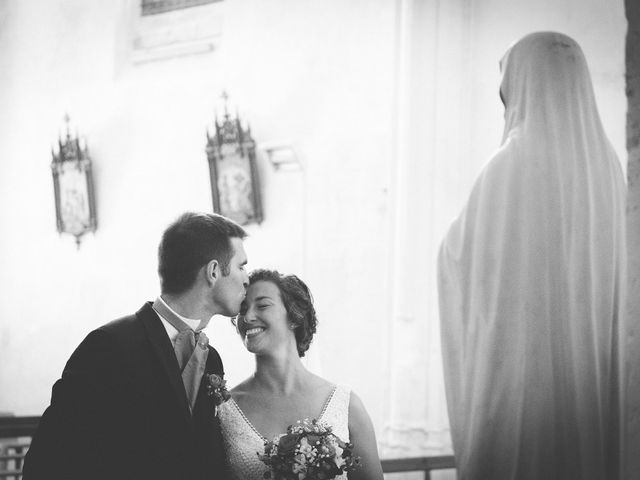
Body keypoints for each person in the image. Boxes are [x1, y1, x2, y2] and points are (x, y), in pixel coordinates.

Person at [438, 32, 626, 480]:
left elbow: (457, 262)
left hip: (524, 391)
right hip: (592, 391)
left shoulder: (509, 165)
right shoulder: (610, 170)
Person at [23, 212, 249, 480]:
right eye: (241, 266)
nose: (247, 278)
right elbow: (49, 461)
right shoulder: (107, 347)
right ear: (213, 272)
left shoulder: (212, 360)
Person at [218, 269, 384, 480]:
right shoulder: (225, 411)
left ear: (294, 317)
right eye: (243, 309)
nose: (248, 317)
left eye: (262, 305)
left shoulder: (345, 405)